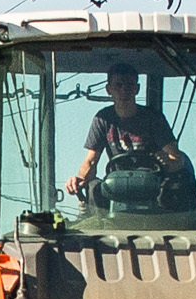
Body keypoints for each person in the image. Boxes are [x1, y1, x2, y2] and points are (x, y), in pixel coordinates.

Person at [63, 66, 188, 202]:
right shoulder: (103, 119)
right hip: (117, 188)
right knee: (94, 188)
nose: (124, 90)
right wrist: (79, 180)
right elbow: (91, 160)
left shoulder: (153, 118)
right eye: (118, 85)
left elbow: (176, 158)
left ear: (137, 89)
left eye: (129, 85)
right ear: (108, 90)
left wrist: (168, 161)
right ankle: (95, 221)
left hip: (154, 190)